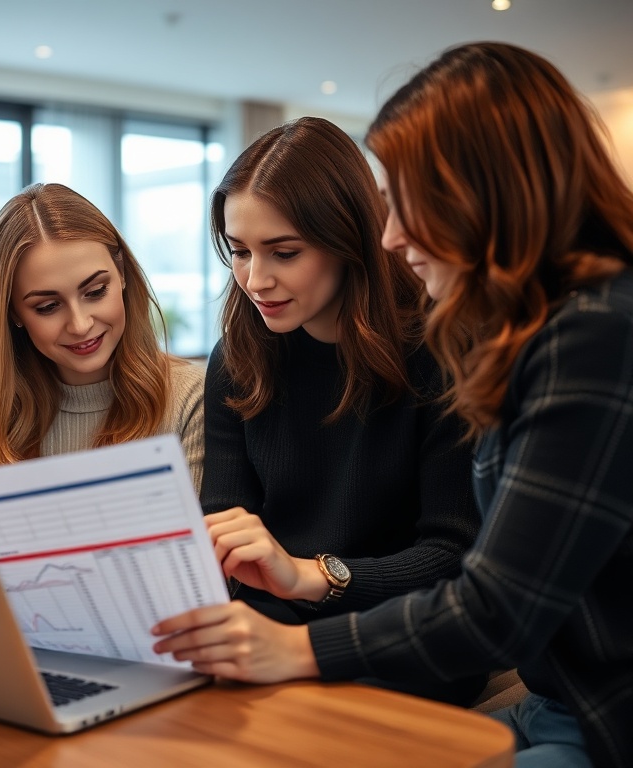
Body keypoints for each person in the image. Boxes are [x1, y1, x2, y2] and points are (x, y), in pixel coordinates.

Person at [153, 43, 633, 768]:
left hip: (598, 719)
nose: (392, 236)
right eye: (239, 251)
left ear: (489, 196)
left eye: (411, 205)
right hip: (550, 704)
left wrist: (301, 625)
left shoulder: (590, 336)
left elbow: (490, 603)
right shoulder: (542, 332)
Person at [159, 116, 485, 705]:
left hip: (399, 646)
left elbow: (452, 558)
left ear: (349, 240)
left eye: (284, 253)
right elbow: (227, 528)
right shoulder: (239, 355)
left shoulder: (439, 355)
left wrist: (311, 574)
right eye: (239, 252)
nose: (256, 280)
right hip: (266, 635)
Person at [0, 182, 204, 490]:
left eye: (95, 292)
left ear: (121, 274)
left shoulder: (190, 398)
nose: (80, 325)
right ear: (13, 313)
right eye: (48, 306)